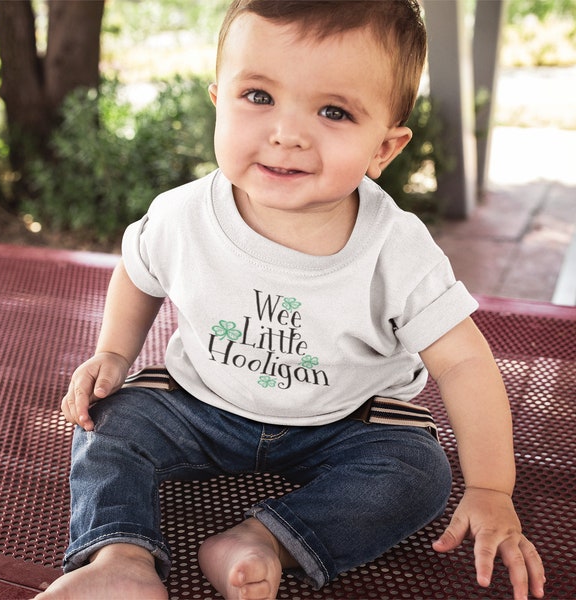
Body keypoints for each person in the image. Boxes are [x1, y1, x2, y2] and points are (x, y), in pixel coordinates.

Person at [35, 1, 546, 599]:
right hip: (203, 402)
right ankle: (118, 556)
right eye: (258, 96)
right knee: (108, 419)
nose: (287, 133)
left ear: (384, 148)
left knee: (419, 473)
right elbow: (139, 272)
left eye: (333, 111)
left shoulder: (396, 248)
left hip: (345, 423)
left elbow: (462, 361)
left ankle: (263, 540)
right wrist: (115, 354)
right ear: (218, 100)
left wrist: (490, 488)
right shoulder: (182, 215)